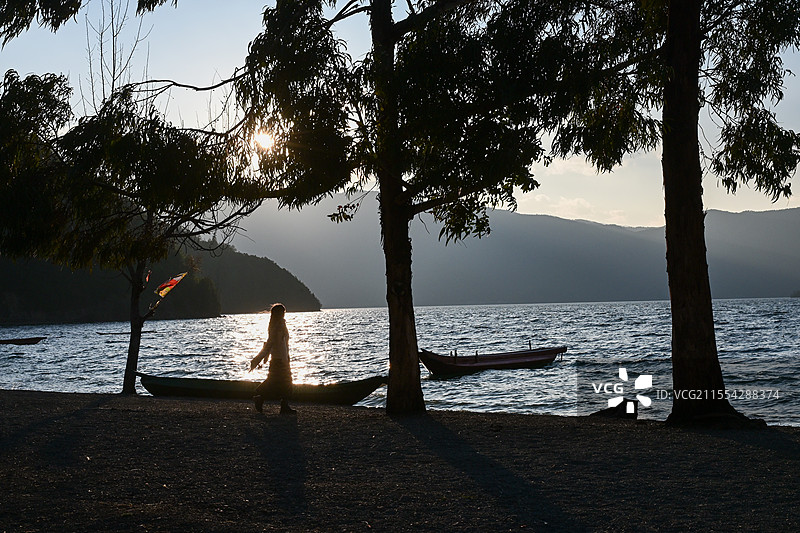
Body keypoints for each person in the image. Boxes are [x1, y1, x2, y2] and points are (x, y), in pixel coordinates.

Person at [249, 303, 295, 414]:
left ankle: (281, 405)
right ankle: (262, 398)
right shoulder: (277, 327)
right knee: (282, 382)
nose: (284, 315)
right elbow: (269, 344)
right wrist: (259, 358)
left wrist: (287, 357)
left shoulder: (279, 325)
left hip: (282, 358)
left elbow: (283, 344)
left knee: (280, 382)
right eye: (282, 313)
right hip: (278, 360)